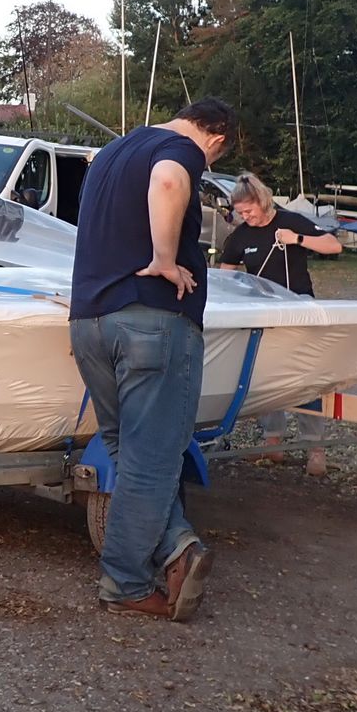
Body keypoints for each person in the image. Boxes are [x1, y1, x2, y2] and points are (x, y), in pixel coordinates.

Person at [69, 97, 235, 622]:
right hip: (151, 322)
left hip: (89, 321)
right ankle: (125, 582)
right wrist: (165, 259)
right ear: (217, 137)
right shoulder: (179, 149)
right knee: (153, 460)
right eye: (216, 157)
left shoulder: (111, 152)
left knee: (124, 447)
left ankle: (179, 547)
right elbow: (167, 181)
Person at [217, 172, 343, 454]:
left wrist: (297, 239)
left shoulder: (291, 221)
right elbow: (226, 278)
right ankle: (272, 438)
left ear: (262, 201)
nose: (246, 216)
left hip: (298, 307)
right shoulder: (240, 236)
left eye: (249, 210)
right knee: (264, 375)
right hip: (262, 313)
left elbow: (334, 246)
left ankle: (314, 446)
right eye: (240, 212)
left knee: (304, 377)